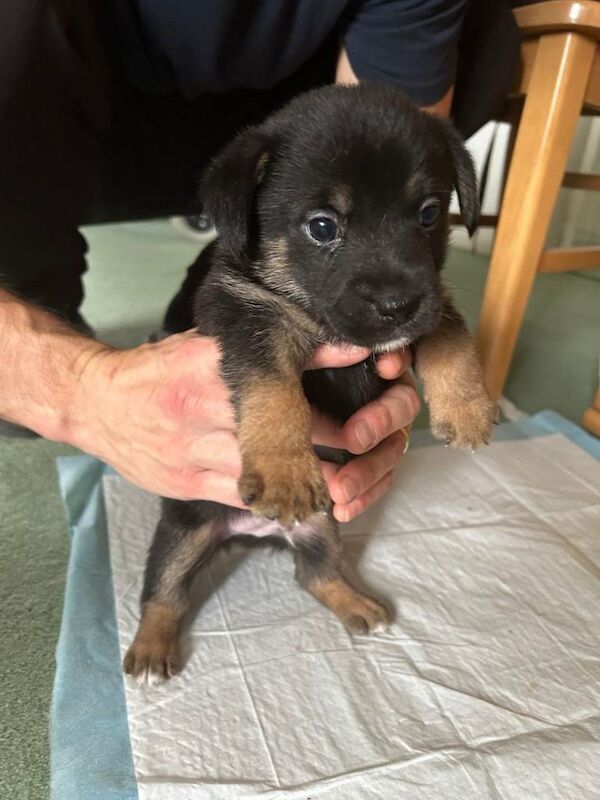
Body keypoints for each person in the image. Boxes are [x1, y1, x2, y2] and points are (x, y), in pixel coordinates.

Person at [0, 1, 518, 522]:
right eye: (324, 227)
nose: (394, 288)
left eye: (428, 214)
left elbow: (388, 141)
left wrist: (431, 352)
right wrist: (79, 388)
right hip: (74, 110)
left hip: (292, 106)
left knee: (487, 34)